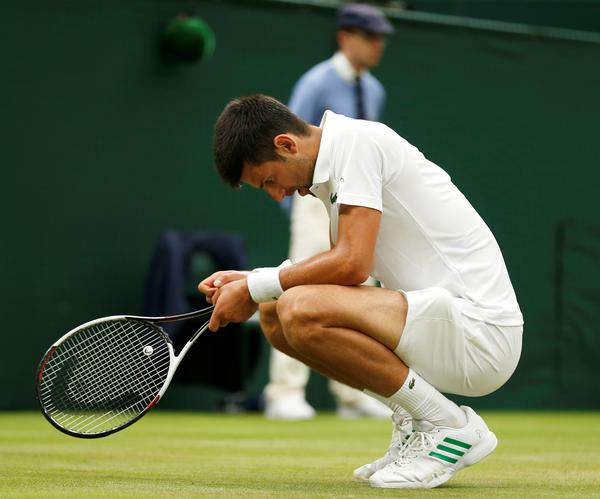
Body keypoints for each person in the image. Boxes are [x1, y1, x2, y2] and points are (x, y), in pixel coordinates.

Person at [199, 94, 523, 489]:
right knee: (275, 313)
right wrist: (253, 282)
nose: (276, 194)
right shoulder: (336, 164)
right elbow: (346, 276)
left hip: (481, 333)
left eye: (269, 180)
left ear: (287, 144)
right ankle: (415, 419)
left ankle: (448, 425)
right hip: (441, 324)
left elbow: (353, 264)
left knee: (298, 306)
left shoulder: (355, 143)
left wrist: (254, 286)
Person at [265, 2, 395, 421]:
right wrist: (300, 210)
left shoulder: (375, 90)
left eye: (381, 39)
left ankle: (353, 393)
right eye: (369, 37)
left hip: (360, 203)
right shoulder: (316, 82)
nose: (377, 46)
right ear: (345, 37)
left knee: (359, 290)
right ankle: (284, 392)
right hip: (313, 200)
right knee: (297, 284)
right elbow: (288, 146)